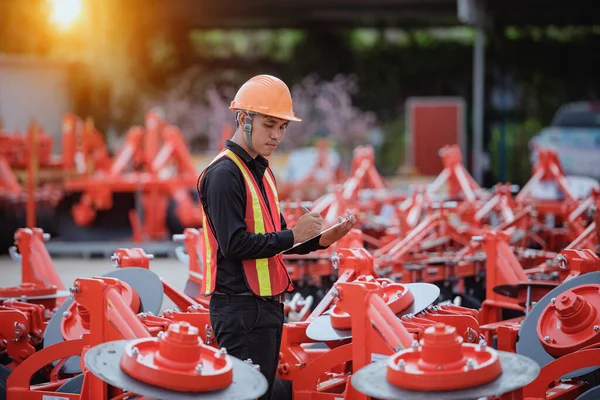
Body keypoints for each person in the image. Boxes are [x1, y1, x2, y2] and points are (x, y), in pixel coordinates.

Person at [197, 74, 356, 400]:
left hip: (265, 308)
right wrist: (293, 234)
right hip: (239, 310)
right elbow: (235, 245)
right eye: (270, 125)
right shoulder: (223, 175)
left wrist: (322, 239)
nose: (277, 135)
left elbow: (280, 238)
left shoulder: (262, 170)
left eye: (282, 127)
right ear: (244, 119)